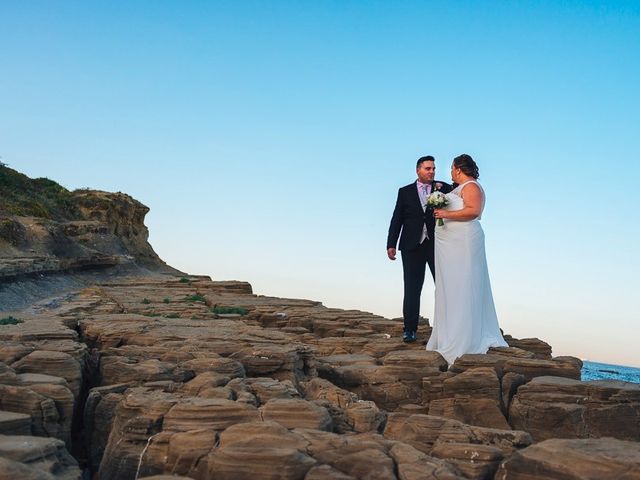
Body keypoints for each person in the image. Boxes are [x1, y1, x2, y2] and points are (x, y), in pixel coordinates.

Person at [426, 154, 508, 364]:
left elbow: (473, 211)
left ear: (459, 169)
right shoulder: (457, 188)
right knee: (450, 287)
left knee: (463, 285)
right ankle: (447, 333)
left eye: (452, 168)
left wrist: (445, 214)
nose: (451, 172)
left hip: (464, 243)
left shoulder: (471, 186)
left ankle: (464, 338)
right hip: (450, 246)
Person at [387, 156, 452, 343]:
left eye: (433, 168)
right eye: (427, 168)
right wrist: (391, 243)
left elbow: (460, 194)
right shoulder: (404, 191)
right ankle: (409, 329)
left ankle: (447, 329)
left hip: (436, 245)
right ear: (418, 170)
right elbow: (397, 218)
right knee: (412, 289)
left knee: (444, 286)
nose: (431, 172)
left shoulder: (443, 188)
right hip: (411, 246)